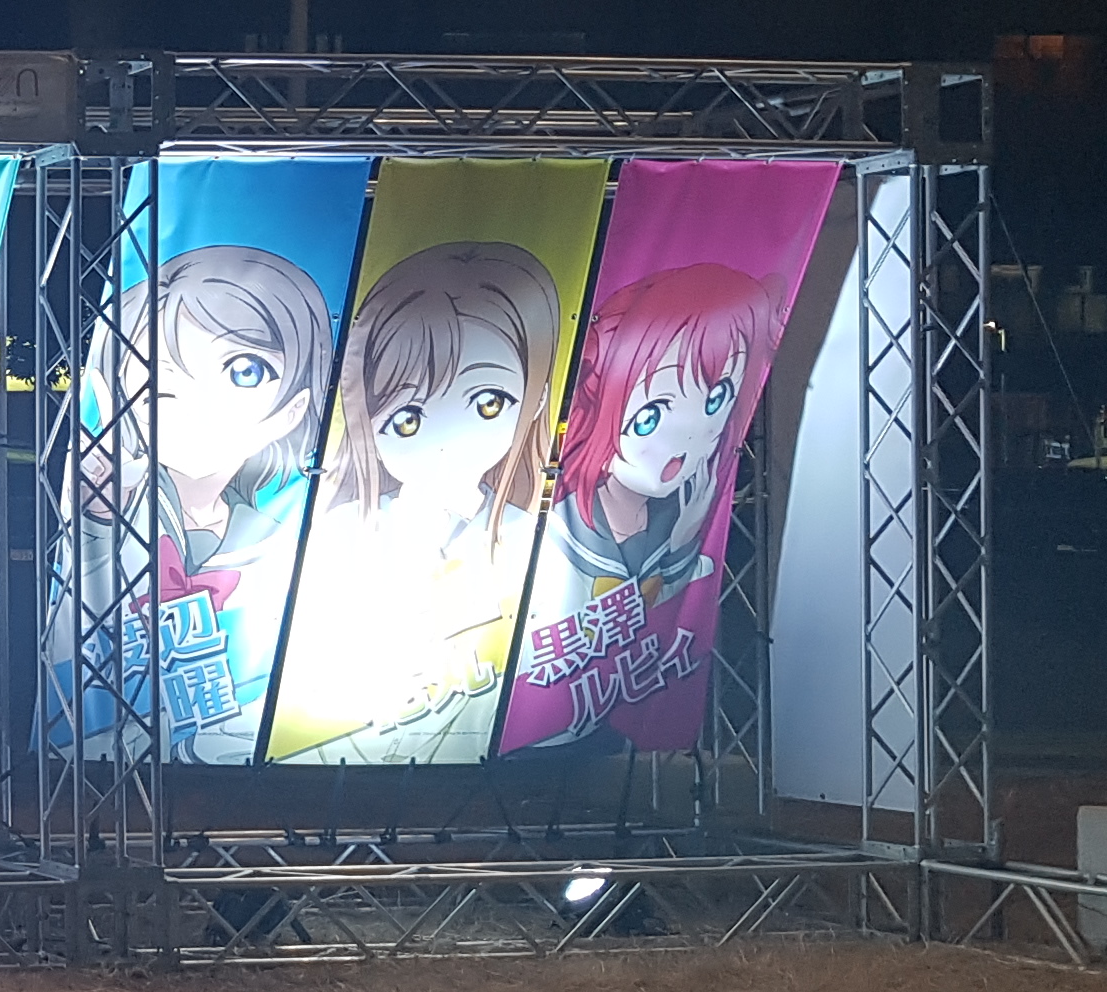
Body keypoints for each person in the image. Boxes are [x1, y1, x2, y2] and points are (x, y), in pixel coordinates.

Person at [269, 240, 562, 765]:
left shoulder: (533, 540)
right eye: (407, 420)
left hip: (484, 761)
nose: (446, 440)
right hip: (347, 754)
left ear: (537, 396)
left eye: (488, 403)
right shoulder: (341, 533)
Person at [55, 238, 333, 764]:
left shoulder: (279, 540)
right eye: (156, 376)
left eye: (245, 371)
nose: (193, 400)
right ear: (114, 392)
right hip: (109, 756)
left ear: (293, 410)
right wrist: (97, 518)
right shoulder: (114, 509)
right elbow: (75, 599)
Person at [514, 258, 789, 732]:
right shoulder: (553, 533)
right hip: (543, 724)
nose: (688, 437)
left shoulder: (681, 514)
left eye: (716, 400)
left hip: (623, 715)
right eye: (651, 416)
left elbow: (677, 606)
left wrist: (684, 543)